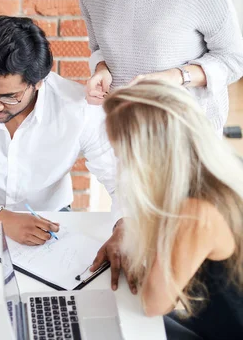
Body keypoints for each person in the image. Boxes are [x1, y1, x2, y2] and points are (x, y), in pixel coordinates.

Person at [0, 16, 129, 291]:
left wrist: (126, 226)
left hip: (53, 221)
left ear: (38, 82)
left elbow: (121, 178)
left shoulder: (78, 108)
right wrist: (0, 218)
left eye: (9, 97)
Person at [103, 81, 242, 339]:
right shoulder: (218, 171)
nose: (122, 167)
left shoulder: (196, 213)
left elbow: (154, 303)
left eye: (123, 155)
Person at [77, 0, 243, 132]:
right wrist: (101, 68)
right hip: (122, 130)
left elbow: (234, 60)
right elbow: (99, 48)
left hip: (186, 134)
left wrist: (175, 77)